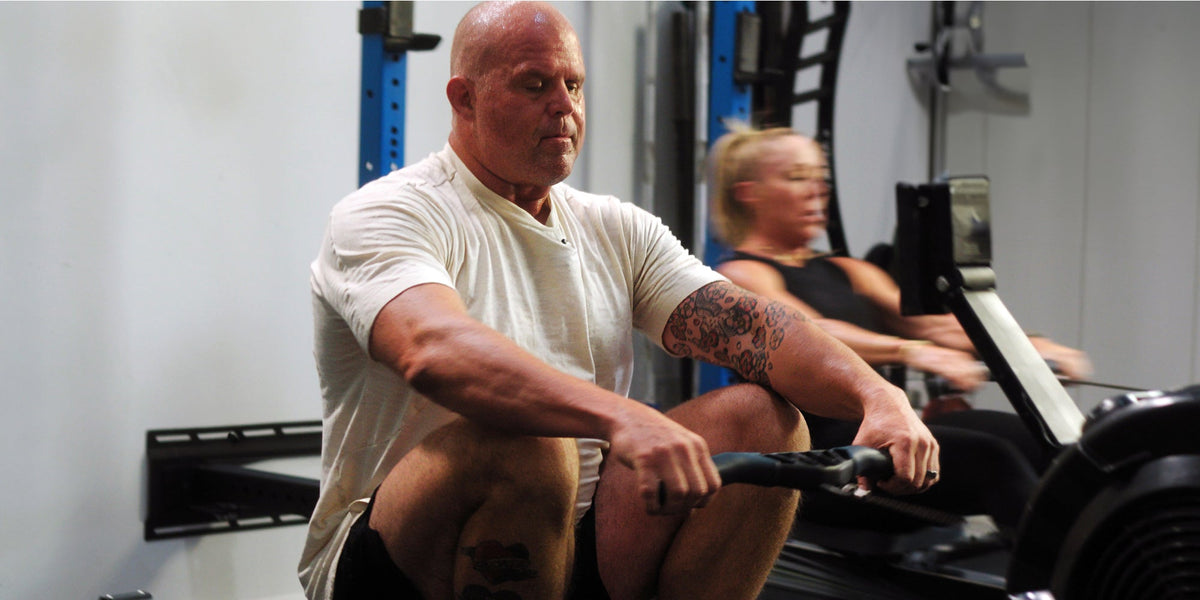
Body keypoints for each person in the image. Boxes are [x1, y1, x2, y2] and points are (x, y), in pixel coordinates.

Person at [299, 4, 938, 600]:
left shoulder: (614, 227)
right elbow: (432, 350)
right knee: (531, 444)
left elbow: (753, 325)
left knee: (763, 421)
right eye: (534, 85)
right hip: (396, 555)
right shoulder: (388, 212)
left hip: (580, 535)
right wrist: (620, 417)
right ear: (464, 99)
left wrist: (879, 397)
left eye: (573, 86)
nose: (564, 107)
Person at [708, 124, 1093, 527]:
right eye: (796, 177)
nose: (817, 190)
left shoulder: (847, 269)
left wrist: (1030, 350)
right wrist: (911, 351)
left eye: (820, 177)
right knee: (992, 459)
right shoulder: (740, 275)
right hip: (818, 458)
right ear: (749, 193)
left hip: (890, 428)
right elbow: (807, 332)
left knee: (1048, 444)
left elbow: (935, 327)